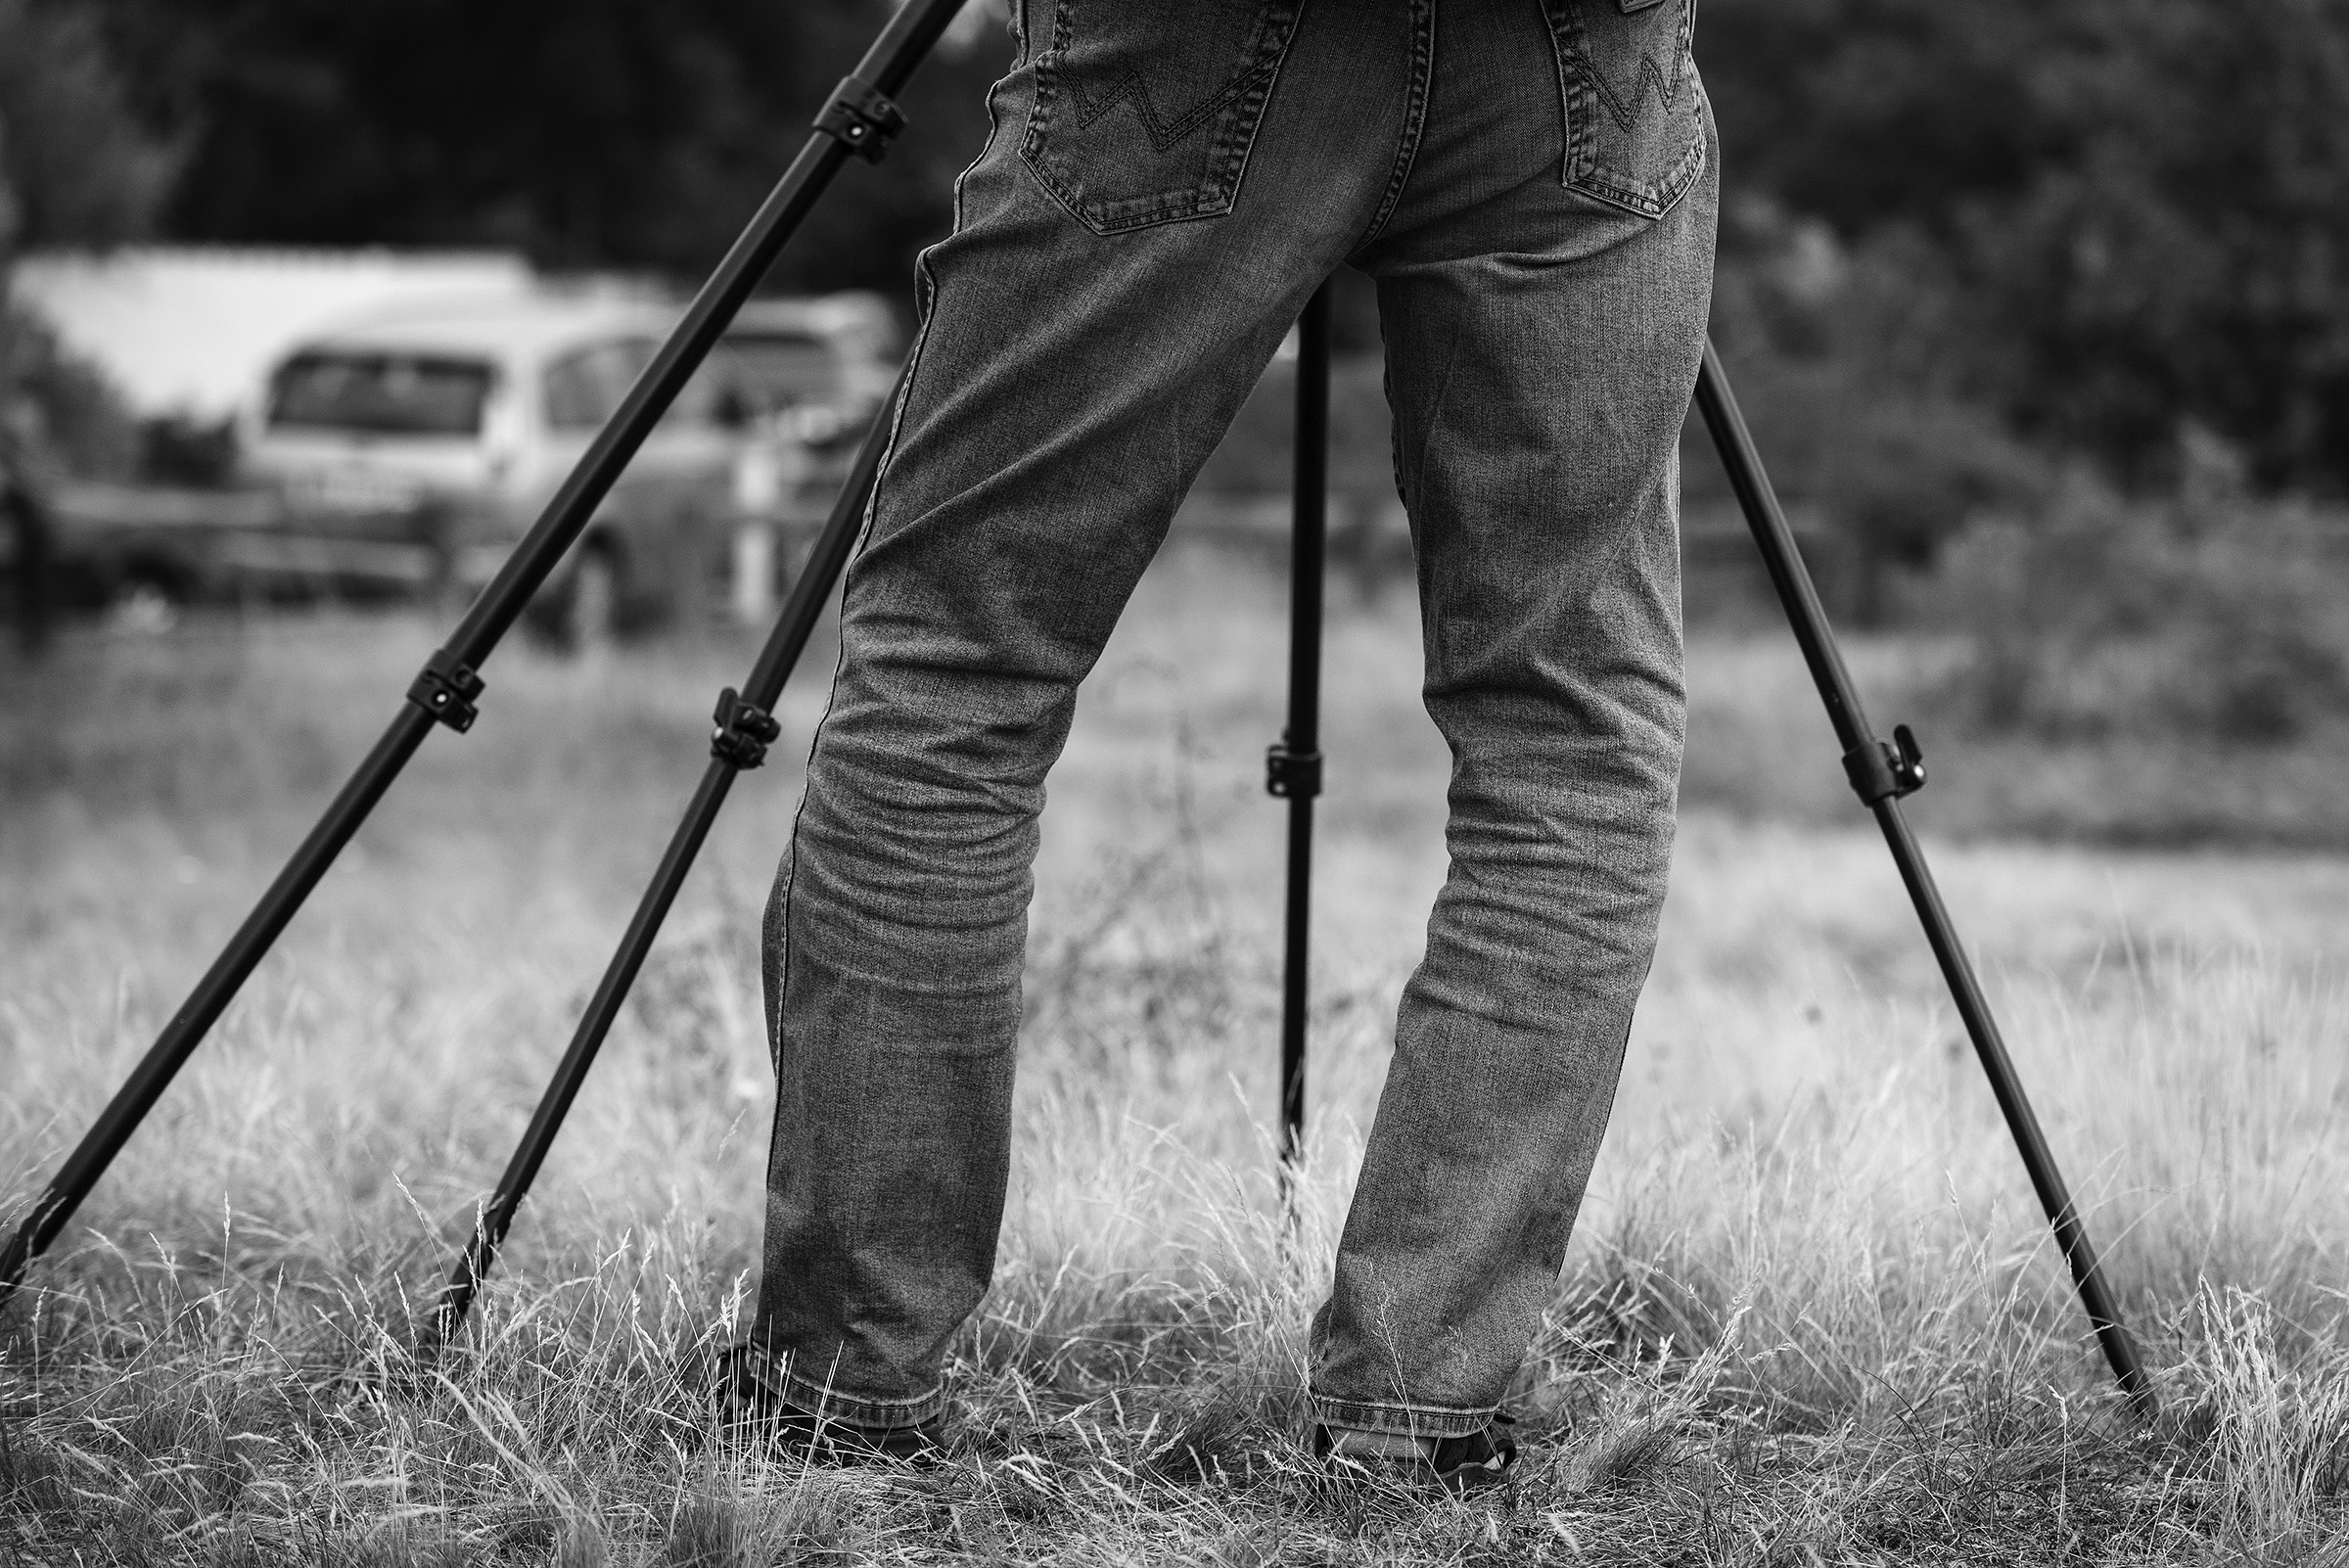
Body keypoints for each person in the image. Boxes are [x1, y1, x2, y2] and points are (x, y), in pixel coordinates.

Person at [718, 0, 1717, 1492]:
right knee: (1568, 733)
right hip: (1578, 54)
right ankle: (1419, 1410)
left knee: (957, 670)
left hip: (1201, 38)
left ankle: (843, 1403)